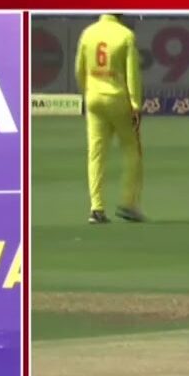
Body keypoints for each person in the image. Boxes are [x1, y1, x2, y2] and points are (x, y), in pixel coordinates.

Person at [75, 13, 145, 224]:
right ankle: (128, 203)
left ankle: (96, 208)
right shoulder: (125, 35)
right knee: (132, 150)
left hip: (94, 99)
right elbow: (132, 75)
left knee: (96, 154)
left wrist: (87, 92)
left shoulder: (88, 33)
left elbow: (79, 69)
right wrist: (135, 104)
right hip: (118, 100)